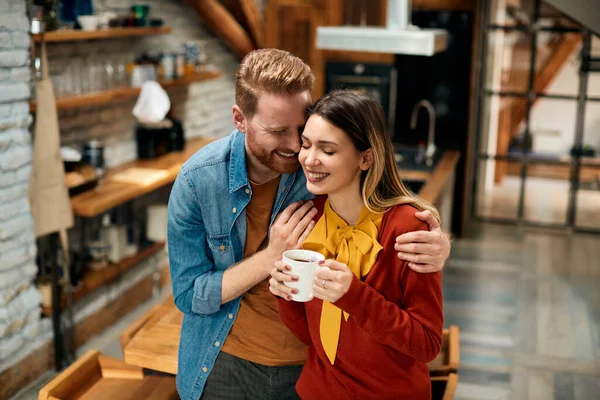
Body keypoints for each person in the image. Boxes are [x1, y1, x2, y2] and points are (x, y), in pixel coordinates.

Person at [167, 49, 450, 400]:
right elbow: (188, 293)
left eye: (300, 130)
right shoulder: (200, 181)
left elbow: (384, 197)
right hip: (230, 361)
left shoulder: (321, 182)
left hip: (307, 368)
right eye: (279, 132)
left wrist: (436, 240)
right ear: (240, 119)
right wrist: (272, 262)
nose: (297, 150)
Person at [269, 90, 444, 399]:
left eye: (328, 150)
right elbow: (310, 337)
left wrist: (355, 297)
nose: (310, 159)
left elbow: (427, 344)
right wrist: (285, 294)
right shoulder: (307, 221)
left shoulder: (407, 229)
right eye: (306, 145)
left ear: (367, 157)